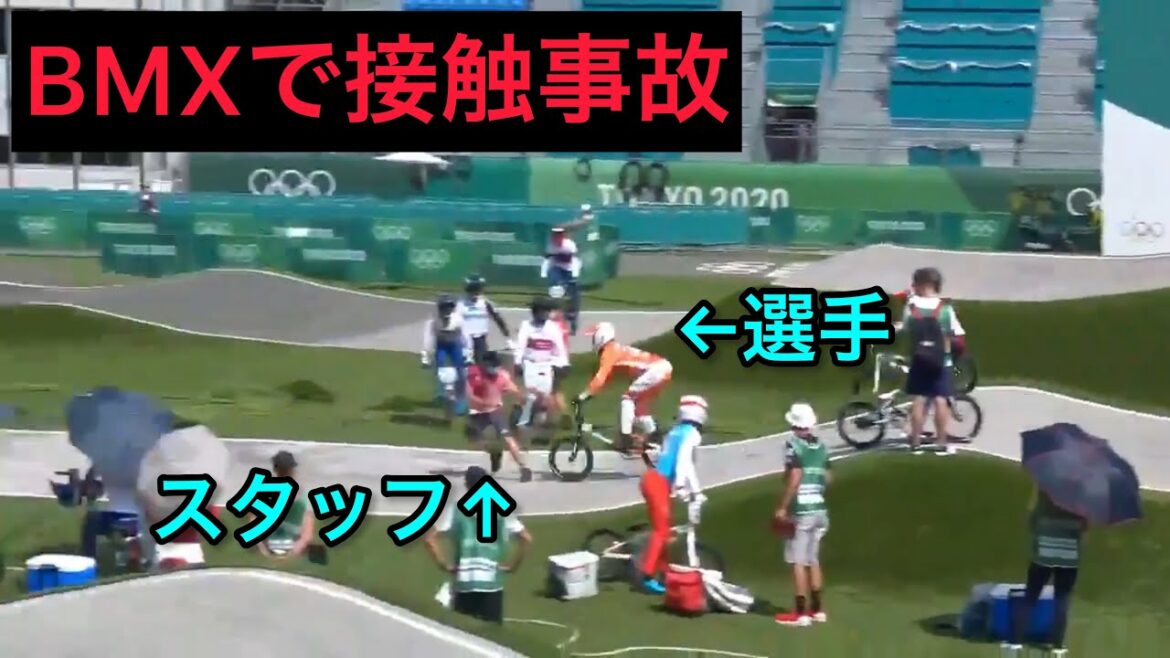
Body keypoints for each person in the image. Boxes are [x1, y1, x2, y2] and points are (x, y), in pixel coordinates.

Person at [423, 466, 533, 625]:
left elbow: (429, 539)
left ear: (466, 484)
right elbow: (526, 538)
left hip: (464, 582)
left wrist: (444, 565)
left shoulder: (456, 510)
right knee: (492, 634)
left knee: (462, 632)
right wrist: (513, 566)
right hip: (492, 582)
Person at [637, 395, 708, 594]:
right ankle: (646, 576)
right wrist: (685, 487)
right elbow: (684, 461)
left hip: (654, 481)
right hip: (659, 484)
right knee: (661, 532)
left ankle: (664, 572)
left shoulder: (674, 431)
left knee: (665, 531)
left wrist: (692, 488)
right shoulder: (692, 434)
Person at [1002, 489, 1086, 657]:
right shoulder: (1081, 496)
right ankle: (1057, 647)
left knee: (1030, 597)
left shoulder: (1046, 490)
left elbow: (1032, 523)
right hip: (1069, 557)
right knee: (1062, 600)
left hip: (1043, 554)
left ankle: (1015, 643)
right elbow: (1083, 528)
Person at [774, 403, 832, 627]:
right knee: (813, 559)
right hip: (820, 510)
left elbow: (795, 476)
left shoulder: (792, 445)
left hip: (802, 511)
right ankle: (817, 610)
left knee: (797, 561)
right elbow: (828, 478)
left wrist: (782, 506)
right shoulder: (821, 446)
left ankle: (801, 613)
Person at [577, 322, 673, 456]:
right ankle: (654, 434)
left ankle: (626, 437)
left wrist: (584, 395)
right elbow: (607, 378)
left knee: (627, 398)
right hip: (661, 369)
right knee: (638, 408)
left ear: (601, 336)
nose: (593, 341)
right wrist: (593, 392)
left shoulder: (609, 351)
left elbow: (601, 377)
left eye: (594, 337)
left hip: (656, 370)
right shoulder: (615, 349)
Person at [897, 268, 962, 455]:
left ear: (922, 284)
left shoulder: (911, 308)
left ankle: (915, 442)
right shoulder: (945, 309)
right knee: (941, 400)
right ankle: (940, 442)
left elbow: (906, 328)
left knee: (919, 399)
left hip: (919, 359)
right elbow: (956, 334)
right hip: (942, 361)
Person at [466, 350, 533, 482]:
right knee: (475, 441)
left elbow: (514, 389)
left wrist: (522, 398)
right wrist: (484, 403)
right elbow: (470, 396)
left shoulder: (502, 376)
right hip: (477, 413)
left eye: (497, 366)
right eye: (492, 366)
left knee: (508, 438)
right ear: (484, 364)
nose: (495, 369)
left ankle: (524, 468)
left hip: (495, 412)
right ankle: (494, 452)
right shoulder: (474, 374)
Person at [512, 296, 571, 433]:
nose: (545, 314)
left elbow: (559, 348)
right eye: (542, 311)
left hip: (546, 365)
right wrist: (517, 362)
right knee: (531, 394)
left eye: (547, 311)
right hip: (530, 364)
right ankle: (524, 420)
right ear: (535, 312)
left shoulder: (553, 328)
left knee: (544, 396)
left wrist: (564, 364)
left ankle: (540, 423)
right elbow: (520, 346)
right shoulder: (526, 326)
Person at [258, 450, 316, 560]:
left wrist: (261, 546)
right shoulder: (299, 492)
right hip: (291, 538)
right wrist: (301, 543)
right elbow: (308, 522)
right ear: (292, 470)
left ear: (275, 469)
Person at [421, 294, 468, 415]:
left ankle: (461, 400)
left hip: (455, 346)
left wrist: (468, 353)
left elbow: (465, 336)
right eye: (444, 307)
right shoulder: (433, 321)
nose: (447, 310)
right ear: (440, 308)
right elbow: (428, 338)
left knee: (460, 373)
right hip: (441, 345)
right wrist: (425, 357)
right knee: (440, 368)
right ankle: (441, 394)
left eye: (450, 307)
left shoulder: (458, 319)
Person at [457, 274, 511, 363]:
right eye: (472, 290)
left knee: (481, 363)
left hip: (480, 338)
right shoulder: (460, 303)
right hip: (464, 339)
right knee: (464, 363)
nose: (475, 293)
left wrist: (508, 338)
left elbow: (498, 319)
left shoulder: (486, 303)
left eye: (477, 290)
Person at [542, 226, 582, 335]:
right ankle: (552, 319)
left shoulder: (569, 245)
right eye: (555, 235)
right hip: (557, 269)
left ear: (563, 236)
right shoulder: (551, 246)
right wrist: (544, 273)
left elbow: (575, 260)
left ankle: (572, 320)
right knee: (555, 292)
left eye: (559, 235)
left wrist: (574, 275)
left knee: (573, 296)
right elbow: (547, 260)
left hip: (570, 270)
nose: (557, 237)